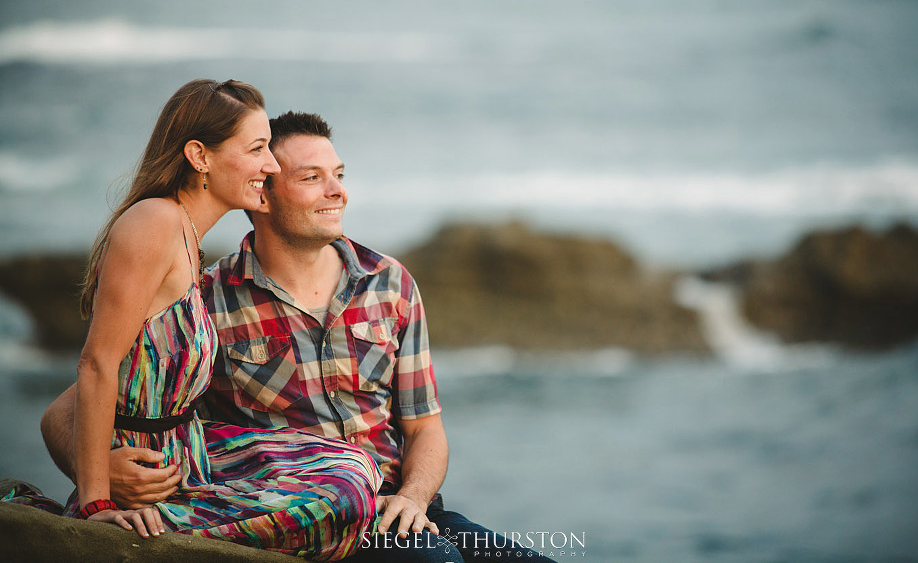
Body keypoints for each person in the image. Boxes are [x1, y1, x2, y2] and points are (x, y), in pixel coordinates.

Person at [44, 111, 554, 562]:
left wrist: (414, 497)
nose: (338, 191)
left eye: (339, 175)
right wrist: (104, 477)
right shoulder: (209, 298)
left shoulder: (391, 283)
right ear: (261, 192)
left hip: (401, 506)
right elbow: (68, 409)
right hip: (300, 517)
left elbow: (425, 428)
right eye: (313, 178)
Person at [44, 82, 381, 561]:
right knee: (342, 498)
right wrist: (97, 493)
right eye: (258, 149)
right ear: (200, 156)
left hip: (191, 452)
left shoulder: (186, 238)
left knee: (354, 468)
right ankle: (159, 534)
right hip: (152, 471)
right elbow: (96, 363)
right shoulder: (154, 223)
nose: (271, 165)